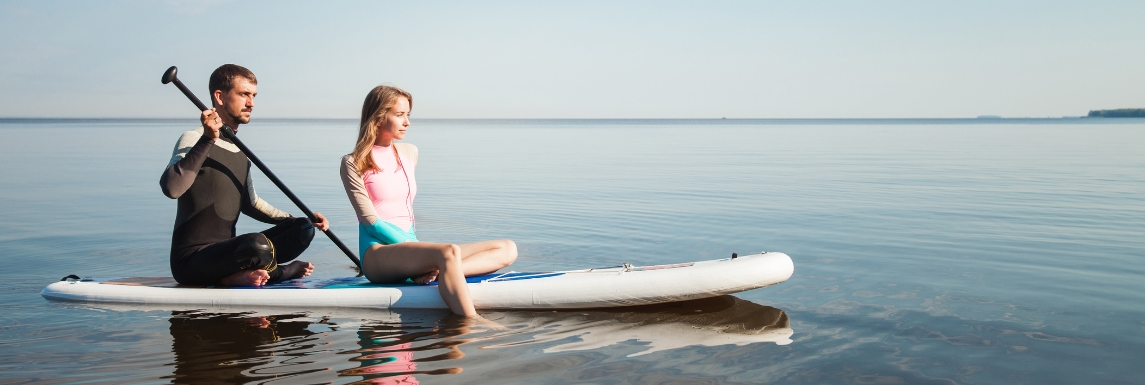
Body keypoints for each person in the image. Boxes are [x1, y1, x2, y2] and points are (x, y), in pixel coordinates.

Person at [340, 85, 517, 317]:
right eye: (399, 115)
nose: (407, 122)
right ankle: (472, 321)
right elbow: (370, 220)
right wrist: (420, 253)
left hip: (411, 248)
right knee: (447, 251)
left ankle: (446, 271)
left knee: (507, 248)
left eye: (408, 115)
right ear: (379, 117)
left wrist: (426, 260)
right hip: (378, 253)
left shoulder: (409, 153)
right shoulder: (353, 162)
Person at [160, 64, 328, 287]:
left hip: (230, 255)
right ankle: (282, 272)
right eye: (244, 95)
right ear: (219, 97)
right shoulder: (193, 138)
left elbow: (251, 203)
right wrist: (208, 139)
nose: (251, 103)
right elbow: (172, 188)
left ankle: (234, 274)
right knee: (257, 244)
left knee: (303, 229)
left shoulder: (241, 152)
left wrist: (298, 218)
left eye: (253, 96)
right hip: (191, 262)